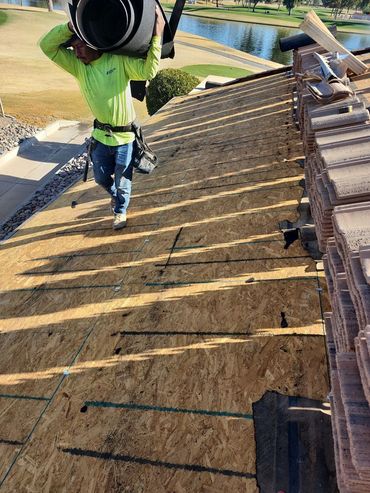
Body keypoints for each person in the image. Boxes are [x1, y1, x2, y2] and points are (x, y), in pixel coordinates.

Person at [40, 7, 165, 230]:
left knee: (123, 181)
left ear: (94, 43)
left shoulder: (117, 61)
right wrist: (70, 27)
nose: (76, 52)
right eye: (73, 47)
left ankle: (120, 211)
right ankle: (116, 197)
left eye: (80, 46)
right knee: (100, 178)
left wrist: (157, 34)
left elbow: (148, 71)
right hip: (100, 136)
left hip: (124, 137)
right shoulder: (79, 66)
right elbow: (46, 46)